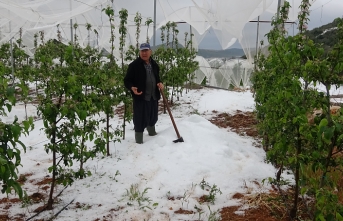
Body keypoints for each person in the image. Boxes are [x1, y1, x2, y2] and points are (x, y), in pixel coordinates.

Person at [124, 43, 164, 144]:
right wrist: (131, 87)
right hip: (141, 97)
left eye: (146, 50)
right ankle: (139, 141)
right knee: (140, 118)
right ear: (139, 52)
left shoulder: (154, 64)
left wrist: (160, 83)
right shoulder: (134, 66)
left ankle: (152, 134)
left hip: (153, 96)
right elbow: (127, 80)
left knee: (153, 116)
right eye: (142, 51)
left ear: (150, 52)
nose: (144, 53)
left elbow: (157, 78)